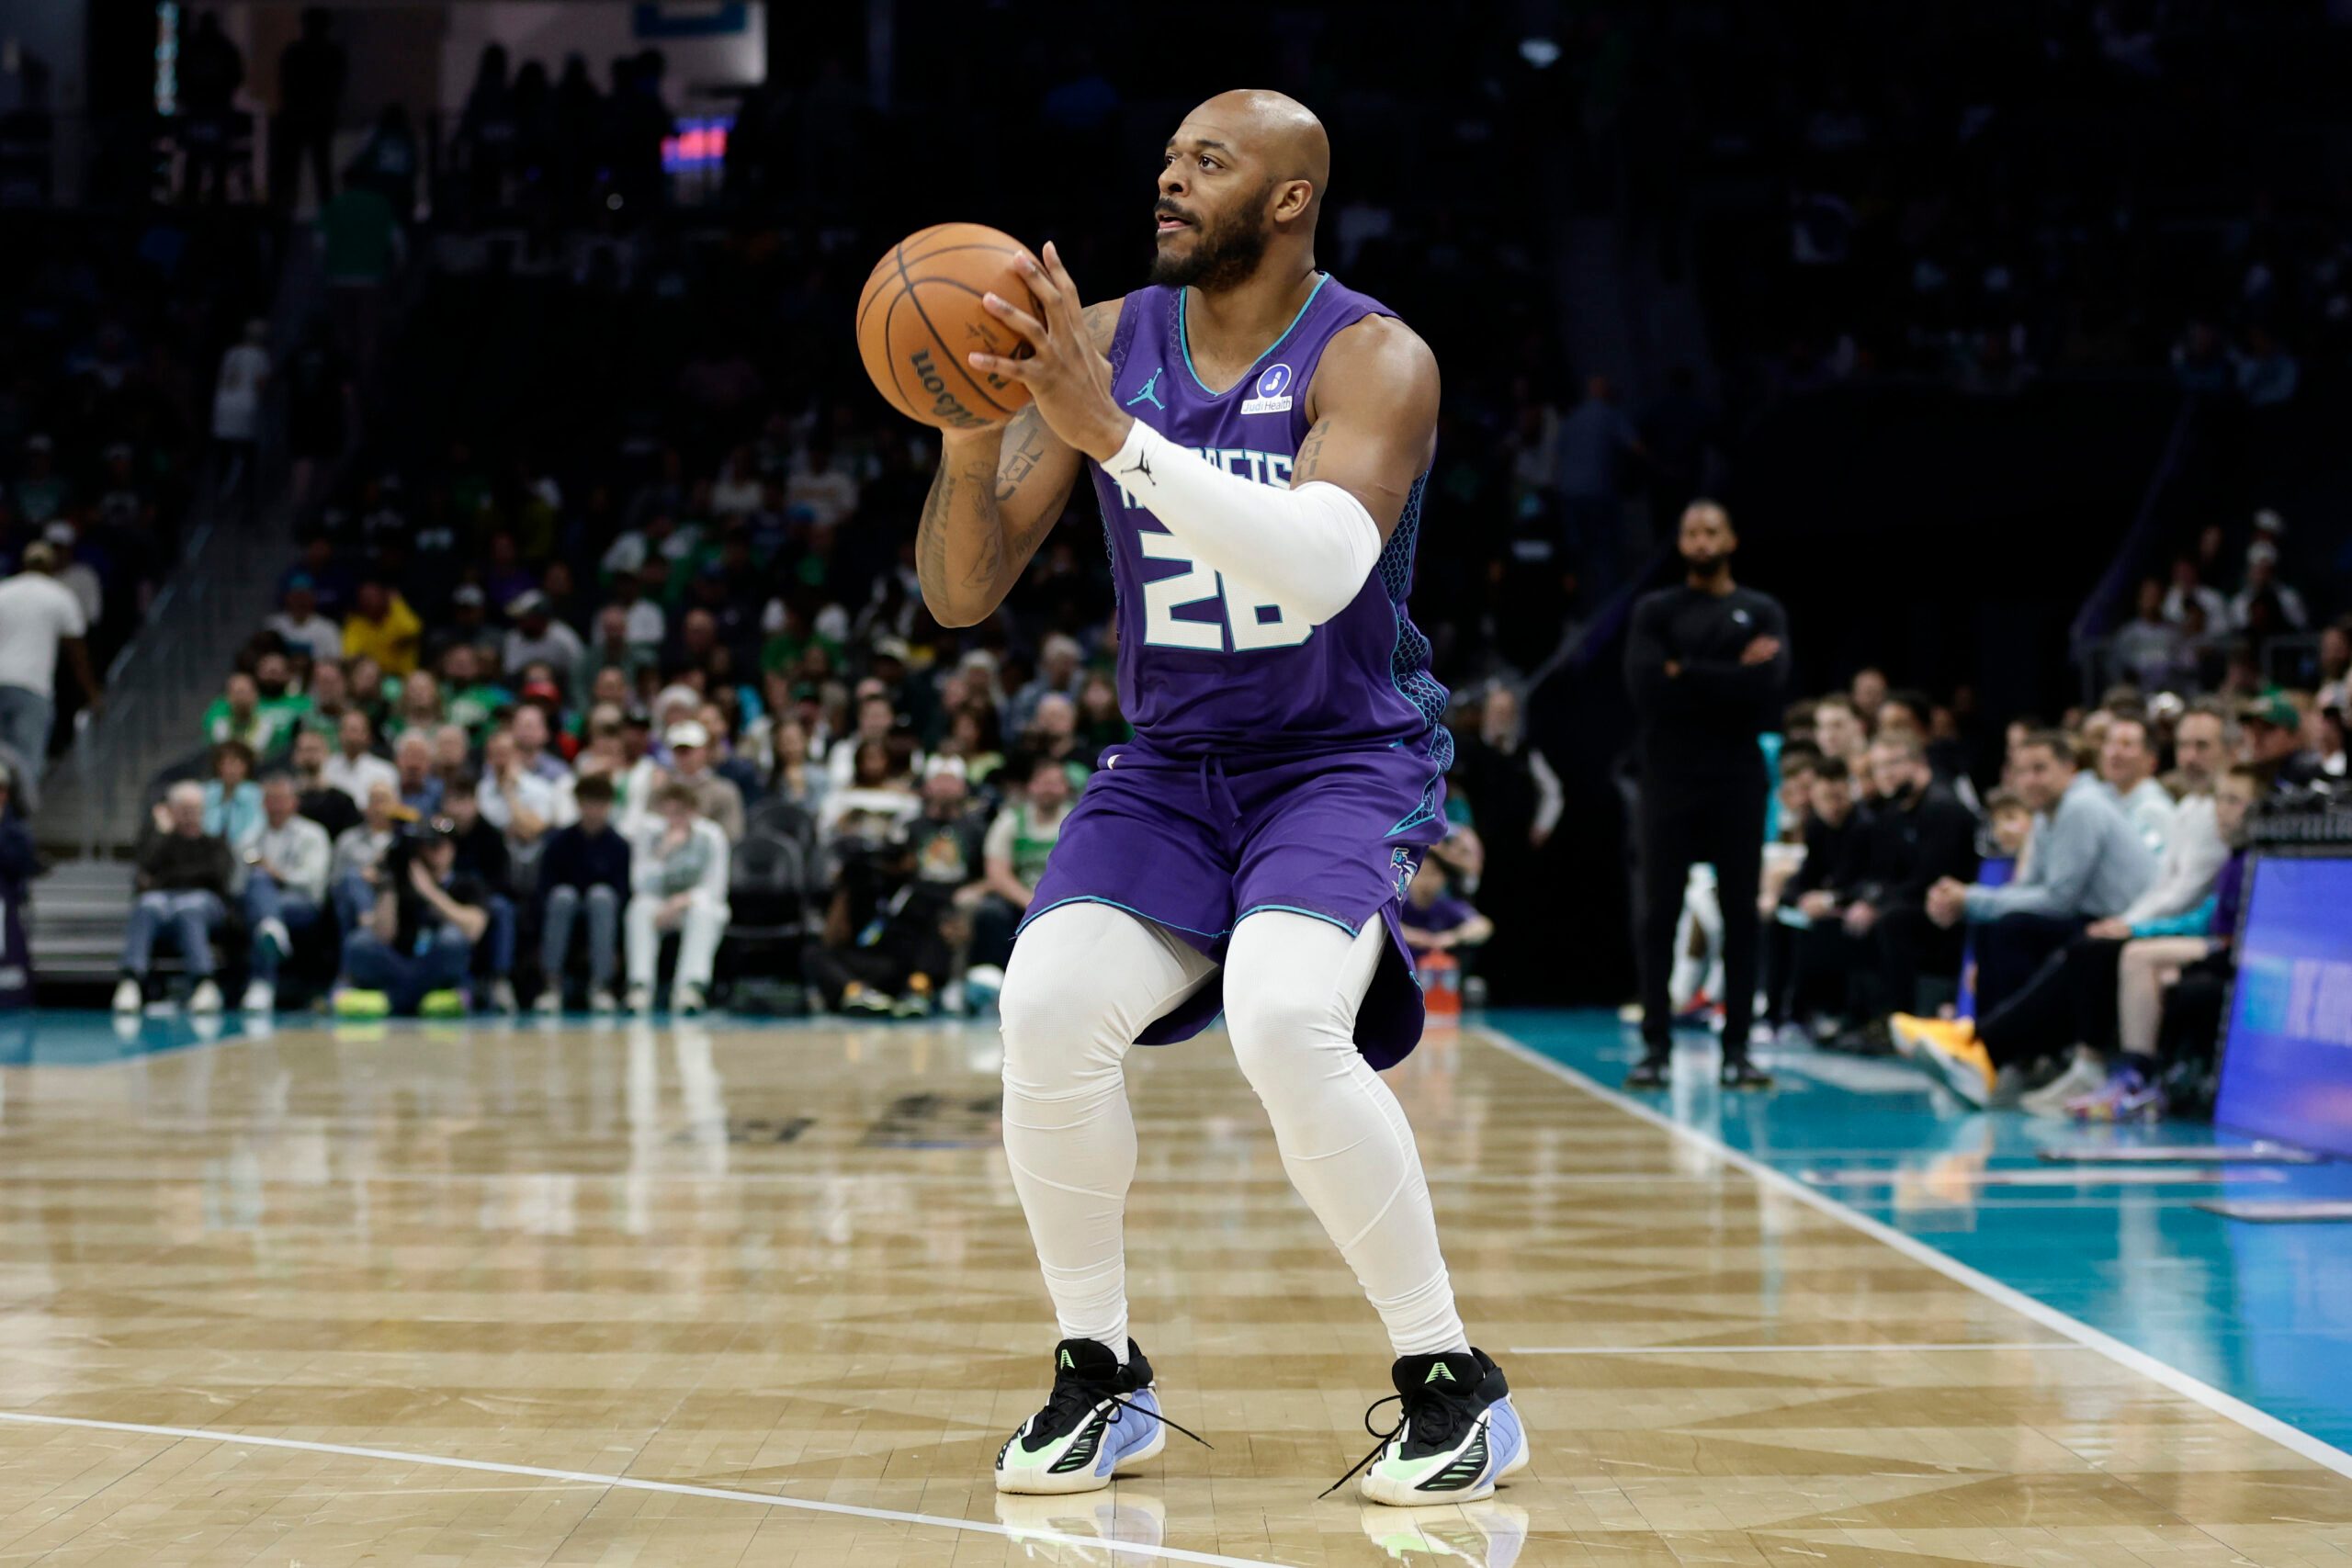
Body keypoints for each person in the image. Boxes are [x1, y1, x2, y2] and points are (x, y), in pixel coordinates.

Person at [915, 91, 1523, 1504]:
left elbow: (1319, 567)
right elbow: (959, 591)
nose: (1170, 180)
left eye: (1210, 162)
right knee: (1047, 1003)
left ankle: (1454, 1383)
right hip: (1174, 765)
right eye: (1171, 157)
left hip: (1340, 754)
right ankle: (1099, 1371)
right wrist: (965, 424)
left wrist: (1114, 435)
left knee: (1282, 1012)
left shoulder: (1376, 357)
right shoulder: (1112, 338)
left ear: (1292, 197)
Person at [1623, 501, 1792, 1090]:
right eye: (1691, 531)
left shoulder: (1761, 609)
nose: (1700, 541)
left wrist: (1685, 671)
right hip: (1667, 780)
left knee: (1741, 915)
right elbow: (1647, 691)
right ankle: (1655, 1049)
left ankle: (1738, 1050)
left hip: (1738, 780)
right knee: (1659, 916)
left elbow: (1767, 690)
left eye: (1711, 531)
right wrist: (1727, 674)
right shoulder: (1655, 609)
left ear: (1732, 539)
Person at [1895, 731, 2158, 1104]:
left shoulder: (2081, 807)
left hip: (2124, 925)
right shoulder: (2049, 814)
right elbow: (2028, 888)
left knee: (2018, 929)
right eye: (2023, 771)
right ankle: (1987, 1057)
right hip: (2092, 918)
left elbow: (2059, 900)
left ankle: (1985, 1046)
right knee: (2000, 927)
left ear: (2069, 768)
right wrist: (1968, 900)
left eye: (2041, 769)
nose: (2031, 780)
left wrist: (1970, 898)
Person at [334, 822, 487, 1017]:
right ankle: (415, 999)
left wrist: (430, 892)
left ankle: (397, 999)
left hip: (435, 967)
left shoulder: (467, 883)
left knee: (452, 939)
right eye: (422, 849)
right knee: (360, 942)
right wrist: (388, 883)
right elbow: (382, 935)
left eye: (436, 846)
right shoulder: (399, 884)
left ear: (451, 848)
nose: (430, 854)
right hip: (396, 967)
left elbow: (473, 930)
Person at [116, 782, 238, 1015]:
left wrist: (169, 878)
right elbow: (143, 875)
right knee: (146, 905)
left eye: (194, 809)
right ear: (171, 812)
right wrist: (162, 834)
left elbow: (217, 877)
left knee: (189, 907)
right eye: (183, 810)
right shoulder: (159, 841)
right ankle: (131, 980)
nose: (189, 816)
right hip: (163, 902)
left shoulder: (215, 843)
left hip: (204, 903)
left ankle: (204, 982)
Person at [625, 781, 730, 1015]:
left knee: (704, 911)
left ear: (693, 811)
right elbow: (640, 883)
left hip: (694, 903)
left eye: (681, 813)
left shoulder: (711, 835)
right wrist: (663, 852)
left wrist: (683, 900)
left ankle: (690, 987)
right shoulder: (649, 833)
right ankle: (640, 986)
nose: (675, 819)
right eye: (669, 812)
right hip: (659, 903)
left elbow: (716, 887)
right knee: (639, 908)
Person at [0, 542, 101, 774]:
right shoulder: (59, 595)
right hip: (32, 687)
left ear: (24, 563)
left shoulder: (3, 591)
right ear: (51, 565)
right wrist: (92, 694)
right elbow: (78, 652)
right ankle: (18, 811)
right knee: (25, 762)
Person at [971, 753, 1075, 970]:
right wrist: (1030, 902)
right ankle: (996, 976)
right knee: (990, 911)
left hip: (1064, 902)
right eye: (1043, 783)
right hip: (1019, 901)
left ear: (1066, 789)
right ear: (1031, 786)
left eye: (1055, 784)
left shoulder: (1076, 822)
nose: (1048, 789)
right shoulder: (1010, 820)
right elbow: (997, 874)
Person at [537, 773, 630, 1011]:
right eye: (589, 802)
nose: (594, 810)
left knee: (602, 897)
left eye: (600, 803)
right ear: (578, 804)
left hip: (602, 911)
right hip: (565, 908)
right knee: (562, 896)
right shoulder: (558, 842)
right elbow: (545, 888)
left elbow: (623, 894)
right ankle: (552, 983)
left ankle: (601, 984)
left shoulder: (619, 846)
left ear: (609, 806)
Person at [240, 773, 333, 1012]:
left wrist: (277, 874)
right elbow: (238, 883)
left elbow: (313, 880)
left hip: (302, 903)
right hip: (261, 900)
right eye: (271, 800)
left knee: (262, 906)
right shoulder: (250, 838)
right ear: (263, 804)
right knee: (259, 889)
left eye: (282, 799)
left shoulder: (313, 834)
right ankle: (272, 926)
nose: (276, 806)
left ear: (294, 803)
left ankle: (262, 983)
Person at [440, 773, 519, 1012]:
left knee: (501, 908)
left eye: (463, 800)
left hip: (483, 901)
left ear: (474, 803)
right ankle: (453, 981)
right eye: (452, 800)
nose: (457, 808)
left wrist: (476, 900)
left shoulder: (491, 836)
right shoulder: (438, 834)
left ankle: (499, 979)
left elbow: (502, 881)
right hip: (447, 901)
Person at [2098, 714, 2175, 854]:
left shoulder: (2154, 810)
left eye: (2127, 744)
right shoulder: (2100, 797)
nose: (2115, 753)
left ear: (2151, 760)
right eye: (2110, 743)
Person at [289, 724, 362, 840]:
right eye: (304, 750)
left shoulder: (343, 801)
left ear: (326, 753)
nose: (309, 755)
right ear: (295, 756)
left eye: (314, 749)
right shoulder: (286, 803)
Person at [324, 708, 398, 807]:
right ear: (339, 734)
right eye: (346, 730)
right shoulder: (326, 767)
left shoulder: (385, 771)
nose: (350, 736)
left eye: (354, 730)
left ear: (367, 735)